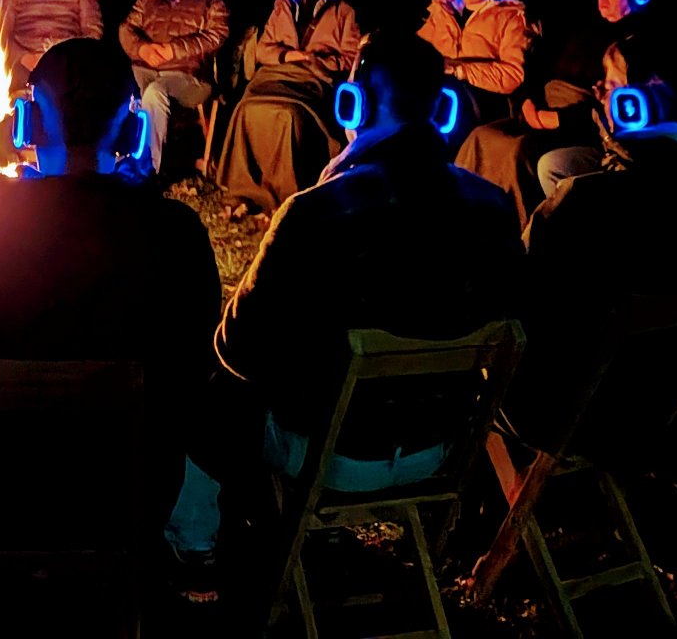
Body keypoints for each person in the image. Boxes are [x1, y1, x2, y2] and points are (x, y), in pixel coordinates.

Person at [174, 34, 522, 584]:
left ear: (351, 103)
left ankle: (193, 549)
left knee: (197, 378)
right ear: (443, 109)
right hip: (439, 449)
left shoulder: (315, 214)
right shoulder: (494, 208)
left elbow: (237, 350)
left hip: (327, 454)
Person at [0, 39, 221, 624]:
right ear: (132, 132)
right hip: (123, 499)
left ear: (25, 121)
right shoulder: (176, 236)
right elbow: (195, 368)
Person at [507, 36, 677, 452]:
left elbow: (514, 296)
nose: (601, 93)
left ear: (644, 100)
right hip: (659, 411)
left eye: (612, 83)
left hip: (562, 413)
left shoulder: (586, 203)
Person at [457, 0, 655, 222]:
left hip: (576, 124)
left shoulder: (636, 44)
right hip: (539, 110)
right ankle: (461, 216)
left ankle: (515, 230)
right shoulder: (579, 29)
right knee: (481, 136)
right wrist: (527, 101)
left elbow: (614, 107)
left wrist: (558, 119)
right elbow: (536, 68)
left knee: (518, 151)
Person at [215, 0, 362, 217]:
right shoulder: (284, 3)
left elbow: (350, 58)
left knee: (287, 115)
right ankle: (244, 190)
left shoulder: (344, 12)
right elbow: (263, 50)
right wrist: (289, 55)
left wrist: (315, 60)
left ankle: (281, 195)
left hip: (311, 83)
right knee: (246, 108)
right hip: (273, 76)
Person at [118, 0, 230, 174]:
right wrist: (143, 49)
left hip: (190, 77)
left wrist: (173, 50)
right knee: (117, 88)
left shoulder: (213, 5)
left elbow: (215, 36)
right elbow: (126, 29)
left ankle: (148, 170)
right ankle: (104, 163)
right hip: (145, 69)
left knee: (154, 92)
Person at [417, 0, 531, 137]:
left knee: (445, 99)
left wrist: (460, 71)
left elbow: (513, 76)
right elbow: (414, 51)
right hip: (434, 94)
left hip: (481, 103)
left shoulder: (510, 17)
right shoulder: (443, 11)